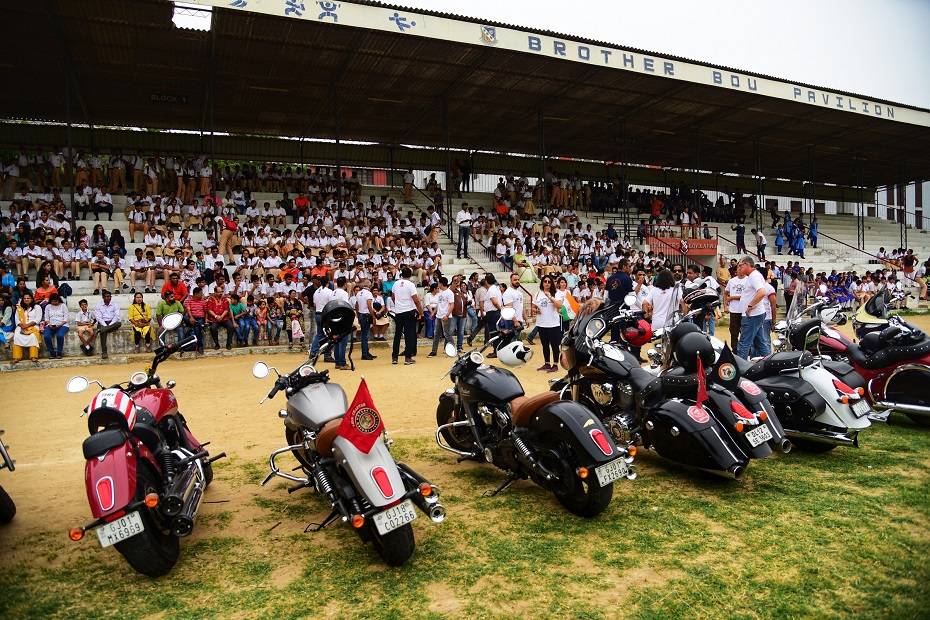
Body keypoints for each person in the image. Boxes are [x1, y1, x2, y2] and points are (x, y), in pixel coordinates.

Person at [736, 257, 770, 359]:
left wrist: (750, 305)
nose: (739, 268)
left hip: (752, 315)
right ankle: (770, 362)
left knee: (744, 343)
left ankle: (740, 369)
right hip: (755, 314)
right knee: (760, 343)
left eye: (740, 266)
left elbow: (762, 292)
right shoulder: (752, 276)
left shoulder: (754, 276)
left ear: (747, 264)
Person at [391, 266, 422, 365]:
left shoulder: (396, 283)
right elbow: (416, 300)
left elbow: (393, 297)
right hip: (409, 311)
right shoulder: (410, 284)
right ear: (410, 275)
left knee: (397, 334)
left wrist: (399, 304)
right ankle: (408, 358)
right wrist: (420, 312)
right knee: (409, 335)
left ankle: (394, 357)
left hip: (399, 312)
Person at [532, 276, 563, 372]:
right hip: (541, 323)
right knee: (545, 345)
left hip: (553, 324)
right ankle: (547, 363)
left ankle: (555, 364)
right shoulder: (537, 294)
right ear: (542, 283)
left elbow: (559, 305)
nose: (547, 283)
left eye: (549, 282)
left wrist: (550, 297)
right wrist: (535, 310)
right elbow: (533, 307)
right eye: (545, 281)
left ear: (551, 283)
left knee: (554, 345)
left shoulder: (557, 293)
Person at [428, 277, 455, 356]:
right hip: (439, 316)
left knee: (447, 334)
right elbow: (438, 304)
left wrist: (447, 315)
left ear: (441, 284)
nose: (438, 284)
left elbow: (452, 305)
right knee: (436, 334)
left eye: (439, 283)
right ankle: (434, 351)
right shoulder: (440, 293)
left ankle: (453, 350)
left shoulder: (449, 293)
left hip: (445, 316)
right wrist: (433, 313)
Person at [12, 293, 42, 364]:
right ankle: (17, 357)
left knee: (33, 336)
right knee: (17, 335)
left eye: (28, 298)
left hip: (33, 326)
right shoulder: (19, 308)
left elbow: (38, 319)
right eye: (24, 298)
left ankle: (33, 356)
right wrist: (22, 325)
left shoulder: (37, 307)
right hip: (21, 326)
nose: (26, 299)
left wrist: (27, 325)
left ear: (31, 299)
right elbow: (17, 319)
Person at [94, 290, 122, 360]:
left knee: (119, 323)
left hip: (112, 322)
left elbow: (117, 316)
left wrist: (109, 325)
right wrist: (105, 326)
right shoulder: (98, 305)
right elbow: (98, 317)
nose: (108, 298)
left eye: (109, 296)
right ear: (103, 297)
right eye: (106, 296)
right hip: (102, 322)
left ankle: (101, 330)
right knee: (103, 332)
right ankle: (104, 352)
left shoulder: (115, 304)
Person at [42, 293, 69, 358]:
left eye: (56, 301)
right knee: (46, 336)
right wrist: (49, 324)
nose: (54, 302)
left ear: (59, 300)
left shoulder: (63, 306)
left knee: (60, 335)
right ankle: (52, 353)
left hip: (63, 325)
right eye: (53, 301)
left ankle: (59, 353)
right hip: (51, 325)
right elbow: (46, 318)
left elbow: (66, 318)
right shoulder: (48, 306)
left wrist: (59, 325)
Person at [355, 279, 376, 360]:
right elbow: (369, 305)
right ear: (368, 286)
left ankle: (366, 352)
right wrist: (373, 316)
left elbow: (356, 305)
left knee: (365, 334)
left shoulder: (359, 293)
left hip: (361, 314)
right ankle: (365, 353)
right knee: (365, 335)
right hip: (366, 315)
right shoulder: (368, 293)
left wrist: (358, 314)